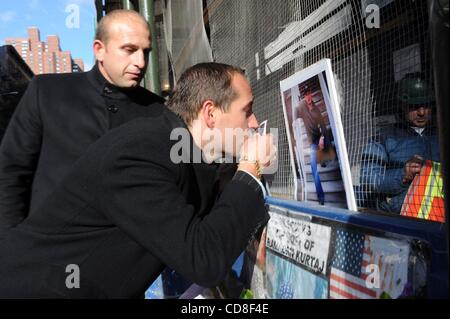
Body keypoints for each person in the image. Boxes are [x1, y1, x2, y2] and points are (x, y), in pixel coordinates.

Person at [0, 62, 277, 298]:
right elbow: (202, 259)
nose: (254, 123)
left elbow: (201, 232)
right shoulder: (141, 152)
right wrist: (250, 169)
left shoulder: (181, 152)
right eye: (247, 110)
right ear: (211, 113)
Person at [0, 10, 165, 229]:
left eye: (146, 52)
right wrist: (11, 246)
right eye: (129, 50)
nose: (141, 62)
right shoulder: (47, 92)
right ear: (99, 50)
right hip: (48, 250)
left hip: (125, 255)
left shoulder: (157, 111)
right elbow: (10, 173)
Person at [360, 73, 440, 213]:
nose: (421, 112)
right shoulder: (385, 137)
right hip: (401, 220)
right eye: (414, 106)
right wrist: (404, 175)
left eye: (426, 105)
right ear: (403, 106)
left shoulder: (441, 134)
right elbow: (368, 178)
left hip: (439, 219)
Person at [294, 85, 333, 205]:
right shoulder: (301, 107)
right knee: (313, 166)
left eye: (309, 93)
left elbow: (323, 127)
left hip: (320, 138)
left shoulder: (316, 110)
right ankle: (321, 197)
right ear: (304, 96)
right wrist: (293, 126)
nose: (308, 96)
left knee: (327, 139)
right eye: (306, 94)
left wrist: (322, 138)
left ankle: (324, 158)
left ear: (311, 94)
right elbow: (293, 116)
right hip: (312, 143)